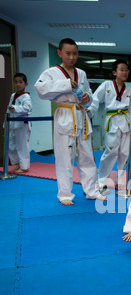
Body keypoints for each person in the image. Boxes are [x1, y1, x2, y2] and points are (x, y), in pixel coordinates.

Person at [35, 38, 106, 205]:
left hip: (81, 114)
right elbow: (40, 89)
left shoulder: (81, 73)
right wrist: (65, 84)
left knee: (87, 156)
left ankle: (91, 191)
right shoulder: (51, 73)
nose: (72, 57)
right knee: (64, 157)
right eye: (68, 53)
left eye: (75, 53)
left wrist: (88, 97)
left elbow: (88, 93)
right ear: (59, 53)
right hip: (65, 113)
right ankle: (65, 194)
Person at [87, 59, 131, 192]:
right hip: (112, 121)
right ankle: (102, 179)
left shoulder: (129, 89)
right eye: (122, 69)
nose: (124, 72)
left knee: (124, 153)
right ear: (114, 72)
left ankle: (120, 180)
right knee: (110, 152)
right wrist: (90, 111)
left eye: (126, 70)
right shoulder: (106, 85)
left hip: (126, 123)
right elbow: (95, 99)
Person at [7, 73, 32, 172]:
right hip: (13, 122)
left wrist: (15, 108)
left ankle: (24, 167)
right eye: (16, 82)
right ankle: (17, 163)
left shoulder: (26, 96)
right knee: (12, 144)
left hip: (22, 123)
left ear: (26, 84)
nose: (18, 84)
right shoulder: (13, 95)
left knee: (22, 145)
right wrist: (7, 122)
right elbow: (9, 108)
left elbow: (28, 108)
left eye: (20, 82)